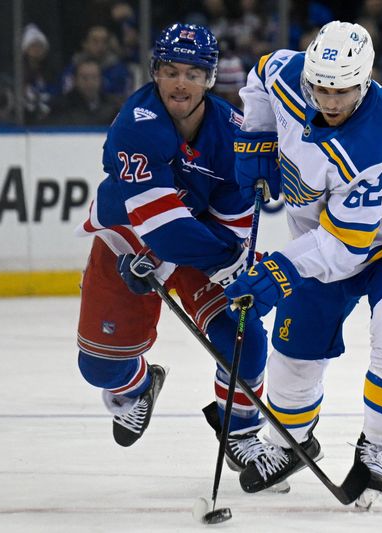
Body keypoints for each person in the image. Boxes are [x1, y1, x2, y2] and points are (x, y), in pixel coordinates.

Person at [223, 21, 382, 509]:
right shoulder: (289, 74)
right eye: (321, 88)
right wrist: (258, 135)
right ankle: (291, 443)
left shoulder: (375, 141)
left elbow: (346, 247)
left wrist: (278, 270)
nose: (329, 100)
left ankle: (376, 448)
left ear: (365, 81)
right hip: (318, 241)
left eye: (342, 91)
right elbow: (260, 76)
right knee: (293, 357)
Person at [75, 23, 276, 477]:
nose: (180, 83)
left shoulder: (233, 136)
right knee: (100, 368)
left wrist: (234, 267)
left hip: (200, 239)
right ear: (155, 73)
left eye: (192, 73)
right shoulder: (136, 123)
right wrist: (224, 265)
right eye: (170, 71)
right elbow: (160, 229)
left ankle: (240, 432)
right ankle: (139, 385)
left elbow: (227, 231)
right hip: (129, 235)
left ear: (209, 78)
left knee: (244, 339)